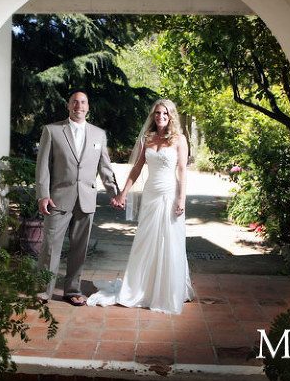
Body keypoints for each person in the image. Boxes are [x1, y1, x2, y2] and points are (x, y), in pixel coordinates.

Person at [87, 99, 195, 315]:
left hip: (169, 194)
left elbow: (182, 170)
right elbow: (136, 168)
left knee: (169, 239)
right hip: (151, 194)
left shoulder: (179, 140)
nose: (160, 117)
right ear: (153, 116)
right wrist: (123, 193)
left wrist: (181, 199)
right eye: (157, 113)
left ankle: (168, 290)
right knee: (147, 239)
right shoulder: (148, 138)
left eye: (165, 113)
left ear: (171, 115)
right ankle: (142, 288)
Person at [35, 91, 121, 306]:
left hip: (86, 199)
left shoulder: (98, 134)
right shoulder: (52, 131)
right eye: (75, 102)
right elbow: (43, 167)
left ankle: (72, 290)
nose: (78, 106)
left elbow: (105, 167)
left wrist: (114, 193)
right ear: (69, 105)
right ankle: (43, 291)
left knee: (79, 248)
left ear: (88, 107)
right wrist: (43, 195)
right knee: (51, 246)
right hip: (57, 199)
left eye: (83, 102)